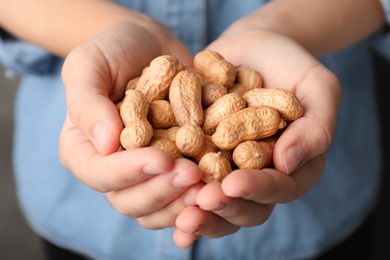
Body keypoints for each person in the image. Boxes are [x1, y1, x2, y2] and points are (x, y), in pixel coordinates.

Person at [0, 0, 389, 259]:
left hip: (317, 220)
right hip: (80, 217)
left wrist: (281, 27)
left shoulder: (227, 104)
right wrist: (112, 27)